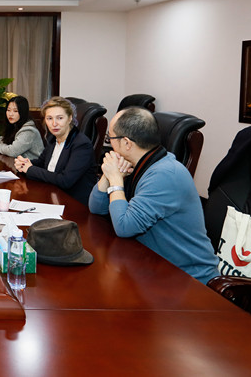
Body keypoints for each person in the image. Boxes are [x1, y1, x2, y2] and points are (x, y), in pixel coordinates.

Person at [88, 107, 219, 284]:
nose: (109, 144)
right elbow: (96, 208)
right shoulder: (138, 163)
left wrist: (116, 180)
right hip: (151, 264)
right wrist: (107, 175)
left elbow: (124, 227)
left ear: (126, 143)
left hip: (189, 279)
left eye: (109, 139)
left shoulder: (165, 174)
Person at [14, 96, 97, 203]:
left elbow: (65, 180)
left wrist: (29, 169)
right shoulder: (53, 139)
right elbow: (41, 163)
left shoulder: (81, 144)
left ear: (70, 118)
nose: (54, 124)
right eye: (49, 118)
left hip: (73, 203)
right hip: (52, 195)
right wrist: (23, 164)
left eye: (60, 118)